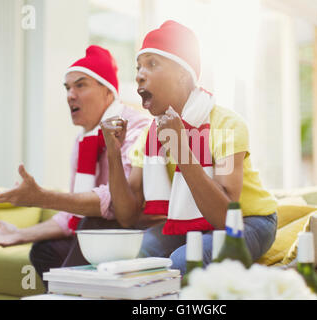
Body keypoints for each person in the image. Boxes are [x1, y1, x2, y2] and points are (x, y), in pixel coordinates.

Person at [101, 20, 278, 274]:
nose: (139, 74)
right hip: (192, 223)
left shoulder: (227, 126)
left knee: (183, 261)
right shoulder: (149, 136)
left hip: (249, 220)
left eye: (152, 64)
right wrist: (114, 154)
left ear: (184, 75)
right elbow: (127, 216)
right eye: (138, 66)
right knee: (134, 255)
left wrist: (182, 150)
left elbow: (224, 218)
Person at [0, 45, 153, 287]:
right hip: (102, 226)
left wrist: (42, 198)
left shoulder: (136, 126)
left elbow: (116, 201)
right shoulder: (83, 141)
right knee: (44, 250)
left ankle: (71, 292)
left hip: (135, 226)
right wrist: (19, 234)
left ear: (108, 91)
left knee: (93, 224)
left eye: (80, 85)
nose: (70, 95)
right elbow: (72, 212)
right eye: (67, 88)